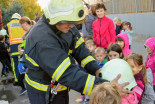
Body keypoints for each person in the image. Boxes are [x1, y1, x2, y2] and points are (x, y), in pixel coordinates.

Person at [23, 0, 131, 104]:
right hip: (43, 91)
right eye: (69, 23)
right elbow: (67, 74)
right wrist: (106, 87)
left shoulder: (64, 24)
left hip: (58, 86)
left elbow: (80, 49)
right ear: (56, 18)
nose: (72, 26)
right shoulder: (42, 39)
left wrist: (95, 68)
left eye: (73, 22)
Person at [6, 13, 24, 85]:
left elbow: (7, 35)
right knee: (23, 64)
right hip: (21, 47)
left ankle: (17, 80)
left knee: (15, 64)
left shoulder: (8, 25)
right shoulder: (21, 23)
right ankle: (24, 79)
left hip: (13, 48)